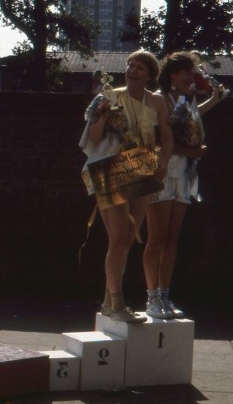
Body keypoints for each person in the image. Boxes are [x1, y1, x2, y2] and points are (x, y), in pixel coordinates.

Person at [79, 51, 173, 323]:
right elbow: (92, 139)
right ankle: (117, 303)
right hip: (111, 166)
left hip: (142, 165)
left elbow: (166, 139)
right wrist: (103, 117)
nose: (132, 69)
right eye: (130, 64)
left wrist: (163, 162)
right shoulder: (109, 96)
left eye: (140, 67)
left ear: (150, 75)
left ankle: (110, 302)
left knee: (129, 239)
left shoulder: (157, 101)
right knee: (118, 239)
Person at [142, 51, 226, 319]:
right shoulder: (158, 99)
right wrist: (188, 151)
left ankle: (165, 296)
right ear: (173, 75)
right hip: (162, 172)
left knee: (171, 239)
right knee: (156, 238)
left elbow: (190, 118)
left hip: (185, 175)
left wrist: (214, 98)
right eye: (187, 73)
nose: (192, 77)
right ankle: (151, 297)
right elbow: (155, 140)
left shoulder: (183, 100)